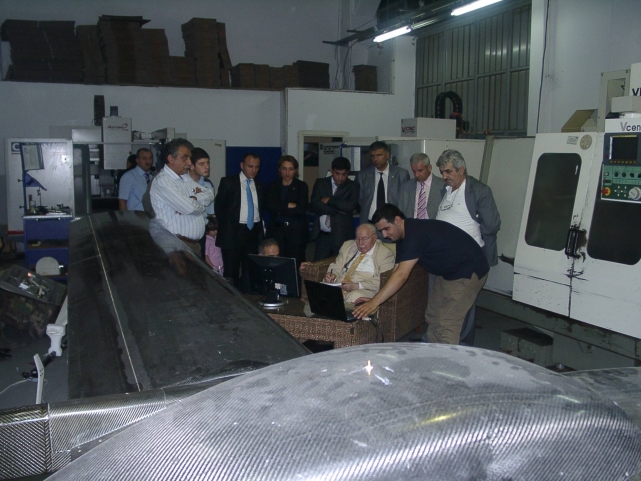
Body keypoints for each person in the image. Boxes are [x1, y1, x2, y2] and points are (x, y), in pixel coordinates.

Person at [352, 204, 489, 345]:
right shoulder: (402, 237)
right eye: (381, 231)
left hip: (469, 270)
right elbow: (396, 272)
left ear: (398, 220)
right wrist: (376, 298)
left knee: (447, 322)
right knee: (432, 314)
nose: (385, 235)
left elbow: (402, 275)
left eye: (386, 229)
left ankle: (447, 358)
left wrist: (374, 302)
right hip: (449, 271)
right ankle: (433, 352)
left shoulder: (415, 234)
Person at [435, 149, 501, 345]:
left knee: (458, 312)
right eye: (442, 172)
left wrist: (469, 241)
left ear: (461, 169)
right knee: (440, 309)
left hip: (469, 261)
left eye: (448, 171)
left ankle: (460, 347)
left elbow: (492, 225)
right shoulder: (445, 191)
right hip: (447, 261)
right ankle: (439, 346)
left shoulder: (479, 190)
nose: (444, 176)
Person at [150, 138, 213, 256]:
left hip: (193, 245)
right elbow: (189, 208)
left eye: (189, 158)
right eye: (185, 158)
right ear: (171, 158)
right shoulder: (164, 180)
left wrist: (194, 199)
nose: (189, 163)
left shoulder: (185, 178)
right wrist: (200, 207)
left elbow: (209, 194)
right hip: (176, 245)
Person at [302, 223, 394, 304]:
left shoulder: (385, 254)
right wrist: (332, 275)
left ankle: (344, 318)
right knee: (319, 289)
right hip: (341, 283)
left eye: (364, 239)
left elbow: (383, 279)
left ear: (374, 238)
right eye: (357, 239)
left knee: (354, 297)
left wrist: (356, 285)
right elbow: (337, 265)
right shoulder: (348, 246)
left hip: (364, 288)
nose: (360, 243)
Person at [214, 153, 265, 290]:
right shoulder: (228, 182)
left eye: (257, 167)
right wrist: (226, 227)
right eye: (250, 166)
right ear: (242, 165)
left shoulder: (260, 186)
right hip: (233, 232)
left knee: (250, 270)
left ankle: (248, 296)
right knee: (231, 271)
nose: (253, 170)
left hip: (252, 232)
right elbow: (219, 208)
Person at [310, 156, 359, 261]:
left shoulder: (353, 186)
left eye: (344, 174)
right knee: (318, 266)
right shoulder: (320, 183)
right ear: (331, 171)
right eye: (337, 173)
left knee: (340, 266)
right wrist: (336, 210)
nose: (340, 177)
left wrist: (330, 200)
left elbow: (350, 206)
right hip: (322, 235)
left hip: (343, 236)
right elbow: (314, 205)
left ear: (348, 173)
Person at [265, 155, 308, 266]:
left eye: (290, 169)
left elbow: (301, 209)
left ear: (295, 170)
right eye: (284, 169)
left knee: (295, 263)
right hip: (276, 231)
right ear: (279, 169)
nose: (287, 172)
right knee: (277, 263)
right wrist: (288, 205)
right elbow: (270, 206)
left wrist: (279, 208)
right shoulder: (273, 185)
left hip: (295, 232)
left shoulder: (301, 186)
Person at [357, 141, 409, 225]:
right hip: (370, 222)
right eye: (372, 156)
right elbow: (360, 199)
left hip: (392, 222)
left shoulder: (401, 174)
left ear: (387, 155)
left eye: (379, 155)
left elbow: (405, 200)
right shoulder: (363, 175)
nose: (375, 159)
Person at [398, 152, 444, 220]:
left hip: (435, 225)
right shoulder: (405, 187)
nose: (416, 175)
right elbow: (400, 212)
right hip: (412, 225)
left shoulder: (443, 185)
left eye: (420, 171)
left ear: (429, 168)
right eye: (414, 171)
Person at [187, 147, 216, 257]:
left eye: (207, 163)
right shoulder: (181, 183)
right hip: (183, 231)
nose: (207, 167)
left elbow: (209, 212)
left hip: (201, 231)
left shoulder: (208, 185)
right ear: (191, 165)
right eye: (201, 164)